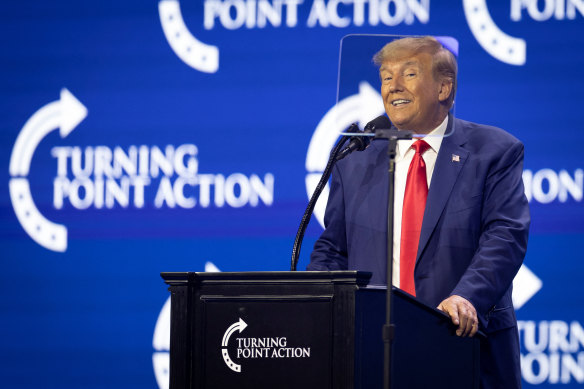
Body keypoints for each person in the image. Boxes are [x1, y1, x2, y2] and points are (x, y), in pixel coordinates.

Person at [307, 36, 530, 389]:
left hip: (461, 342)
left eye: (409, 74)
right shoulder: (354, 159)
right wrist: (315, 304)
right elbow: (334, 248)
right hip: (374, 351)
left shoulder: (493, 151)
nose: (392, 86)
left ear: (444, 87)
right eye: (385, 77)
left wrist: (466, 297)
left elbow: (505, 236)